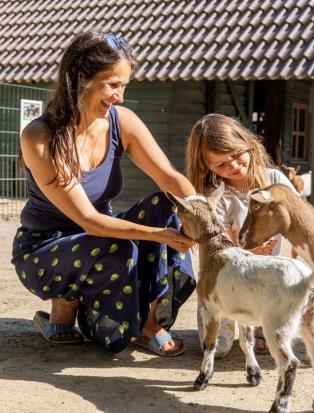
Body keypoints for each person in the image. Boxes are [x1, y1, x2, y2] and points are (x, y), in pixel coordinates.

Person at [12, 31, 196, 356]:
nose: (120, 96)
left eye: (124, 85)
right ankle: (65, 310)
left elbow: (169, 178)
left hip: (101, 238)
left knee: (169, 204)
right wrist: (160, 236)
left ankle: (147, 322)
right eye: (112, 84)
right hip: (46, 247)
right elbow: (88, 220)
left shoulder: (121, 121)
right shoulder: (39, 136)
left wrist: (204, 216)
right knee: (114, 241)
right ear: (79, 80)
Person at [185, 113, 298, 358]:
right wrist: (247, 251)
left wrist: (299, 244)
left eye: (236, 156)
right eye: (222, 165)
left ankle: (258, 325)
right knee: (219, 348)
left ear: (247, 144)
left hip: (265, 279)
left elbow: (297, 219)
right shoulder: (218, 194)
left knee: (275, 336)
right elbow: (223, 245)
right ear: (209, 167)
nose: (234, 167)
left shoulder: (275, 180)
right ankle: (220, 316)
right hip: (228, 277)